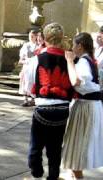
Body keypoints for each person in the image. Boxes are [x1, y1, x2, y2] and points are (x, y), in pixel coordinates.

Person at [26, 23, 74, 180]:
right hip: (62, 108)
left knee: (36, 144)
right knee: (55, 147)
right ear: (61, 38)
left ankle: (36, 170)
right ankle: (53, 176)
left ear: (44, 39)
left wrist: (34, 96)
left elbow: (29, 82)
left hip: (43, 107)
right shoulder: (71, 59)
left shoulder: (37, 59)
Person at [62, 32, 103, 179]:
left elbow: (76, 81)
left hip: (86, 106)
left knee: (78, 146)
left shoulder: (83, 62)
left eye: (74, 45)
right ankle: (73, 176)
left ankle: (78, 177)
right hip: (90, 105)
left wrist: (69, 61)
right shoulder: (90, 60)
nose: (73, 48)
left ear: (80, 46)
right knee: (77, 145)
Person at [18, 29, 38, 106]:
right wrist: (24, 61)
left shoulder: (38, 45)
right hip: (27, 66)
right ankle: (25, 99)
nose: (31, 37)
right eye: (30, 36)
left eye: (32, 36)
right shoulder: (26, 45)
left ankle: (33, 99)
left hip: (35, 66)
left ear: (36, 37)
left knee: (33, 81)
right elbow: (21, 57)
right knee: (25, 81)